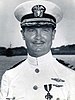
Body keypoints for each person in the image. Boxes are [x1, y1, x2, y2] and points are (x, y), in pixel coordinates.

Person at [0, 0, 75, 100]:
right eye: (31, 30)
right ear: (23, 34)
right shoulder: (10, 77)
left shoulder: (70, 76)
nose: (38, 37)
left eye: (45, 30)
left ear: (53, 34)